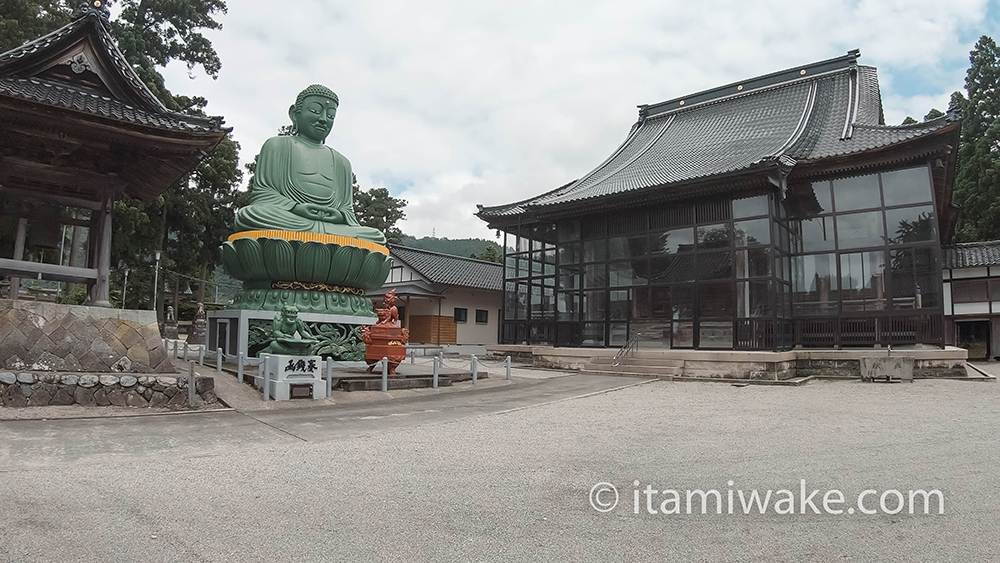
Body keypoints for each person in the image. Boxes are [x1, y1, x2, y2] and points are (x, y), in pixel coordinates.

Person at [235, 84, 386, 244]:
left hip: (332, 228)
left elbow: (346, 210)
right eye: (315, 110)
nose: (323, 119)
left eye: (331, 116)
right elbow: (263, 194)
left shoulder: (342, 163)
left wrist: (340, 215)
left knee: (375, 237)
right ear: (294, 114)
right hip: (290, 220)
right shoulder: (277, 146)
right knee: (248, 216)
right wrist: (295, 207)